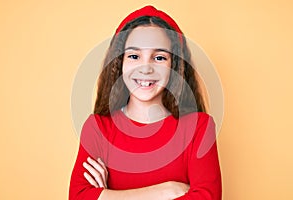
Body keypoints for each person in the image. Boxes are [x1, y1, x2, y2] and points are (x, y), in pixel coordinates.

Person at [69, 5, 222, 200]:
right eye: (134, 56)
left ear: (174, 65)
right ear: (119, 63)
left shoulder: (199, 128)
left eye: (159, 57)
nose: (146, 68)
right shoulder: (98, 128)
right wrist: (166, 190)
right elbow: (78, 196)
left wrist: (107, 196)